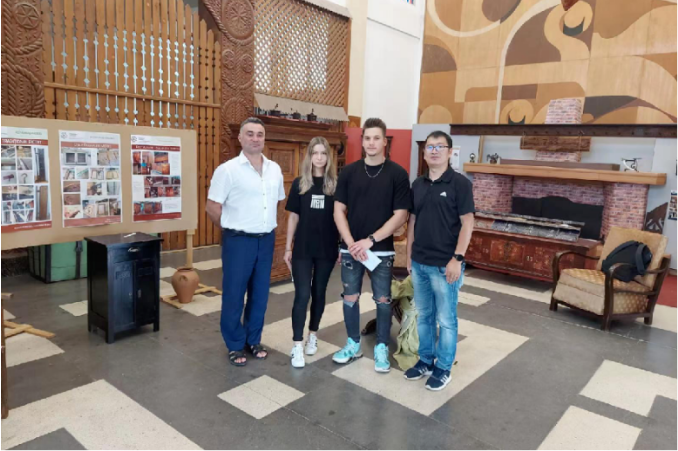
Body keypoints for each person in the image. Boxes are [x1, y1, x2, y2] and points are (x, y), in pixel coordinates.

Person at [332, 118, 411, 373]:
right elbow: (338, 210)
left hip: (381, 249)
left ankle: (381, 347)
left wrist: (371, 240)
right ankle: (353, 344)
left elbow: (401, 215)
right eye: (367, 138)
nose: (371, 143)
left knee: (383, 299)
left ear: (385, 141)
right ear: (362, 141)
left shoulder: (397, 174)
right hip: (351, 249)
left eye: (376, 138)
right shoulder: (349, 172)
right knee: (350, 297)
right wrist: (350, 243)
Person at [206, 117, 285, 367]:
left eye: (259, 134)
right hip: (238, 241)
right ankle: (234, 344)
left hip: (266, 239)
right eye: (249, 134)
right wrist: (231, 228)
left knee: (260, 294)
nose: (255, 138)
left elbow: (277, 202)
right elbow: (212, 207)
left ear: (264, 138)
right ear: (240, 138)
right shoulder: (227, 170)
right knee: (234, 294)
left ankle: (253, 340)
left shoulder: (274, 169)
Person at [405, 130, 475, 391]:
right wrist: (409, 256)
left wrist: (457, 258)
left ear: (449, 152)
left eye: (439, 146)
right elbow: (412, 221)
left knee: (446, 320)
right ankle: (425, 360)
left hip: (445, 265)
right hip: (420, 262)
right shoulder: (417, 184)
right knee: (424, 316)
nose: (434, 151)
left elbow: (468, 223)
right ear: (424, 153)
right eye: (430, 147)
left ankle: (443, 367)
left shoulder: (460, 184)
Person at [284, 137, 339, 368]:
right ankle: (297, 345)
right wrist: (288, 247)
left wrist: (342, 246)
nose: (319, 157)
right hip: (303, 249)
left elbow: (341, 217)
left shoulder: (335, 185)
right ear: (309, 156)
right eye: (315, 153)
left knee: (319, 293)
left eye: (323, 153)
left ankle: (312, 334)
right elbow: (293, 217)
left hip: (327, 248)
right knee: (302, 295)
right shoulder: (300, 184)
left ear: (328, 157)